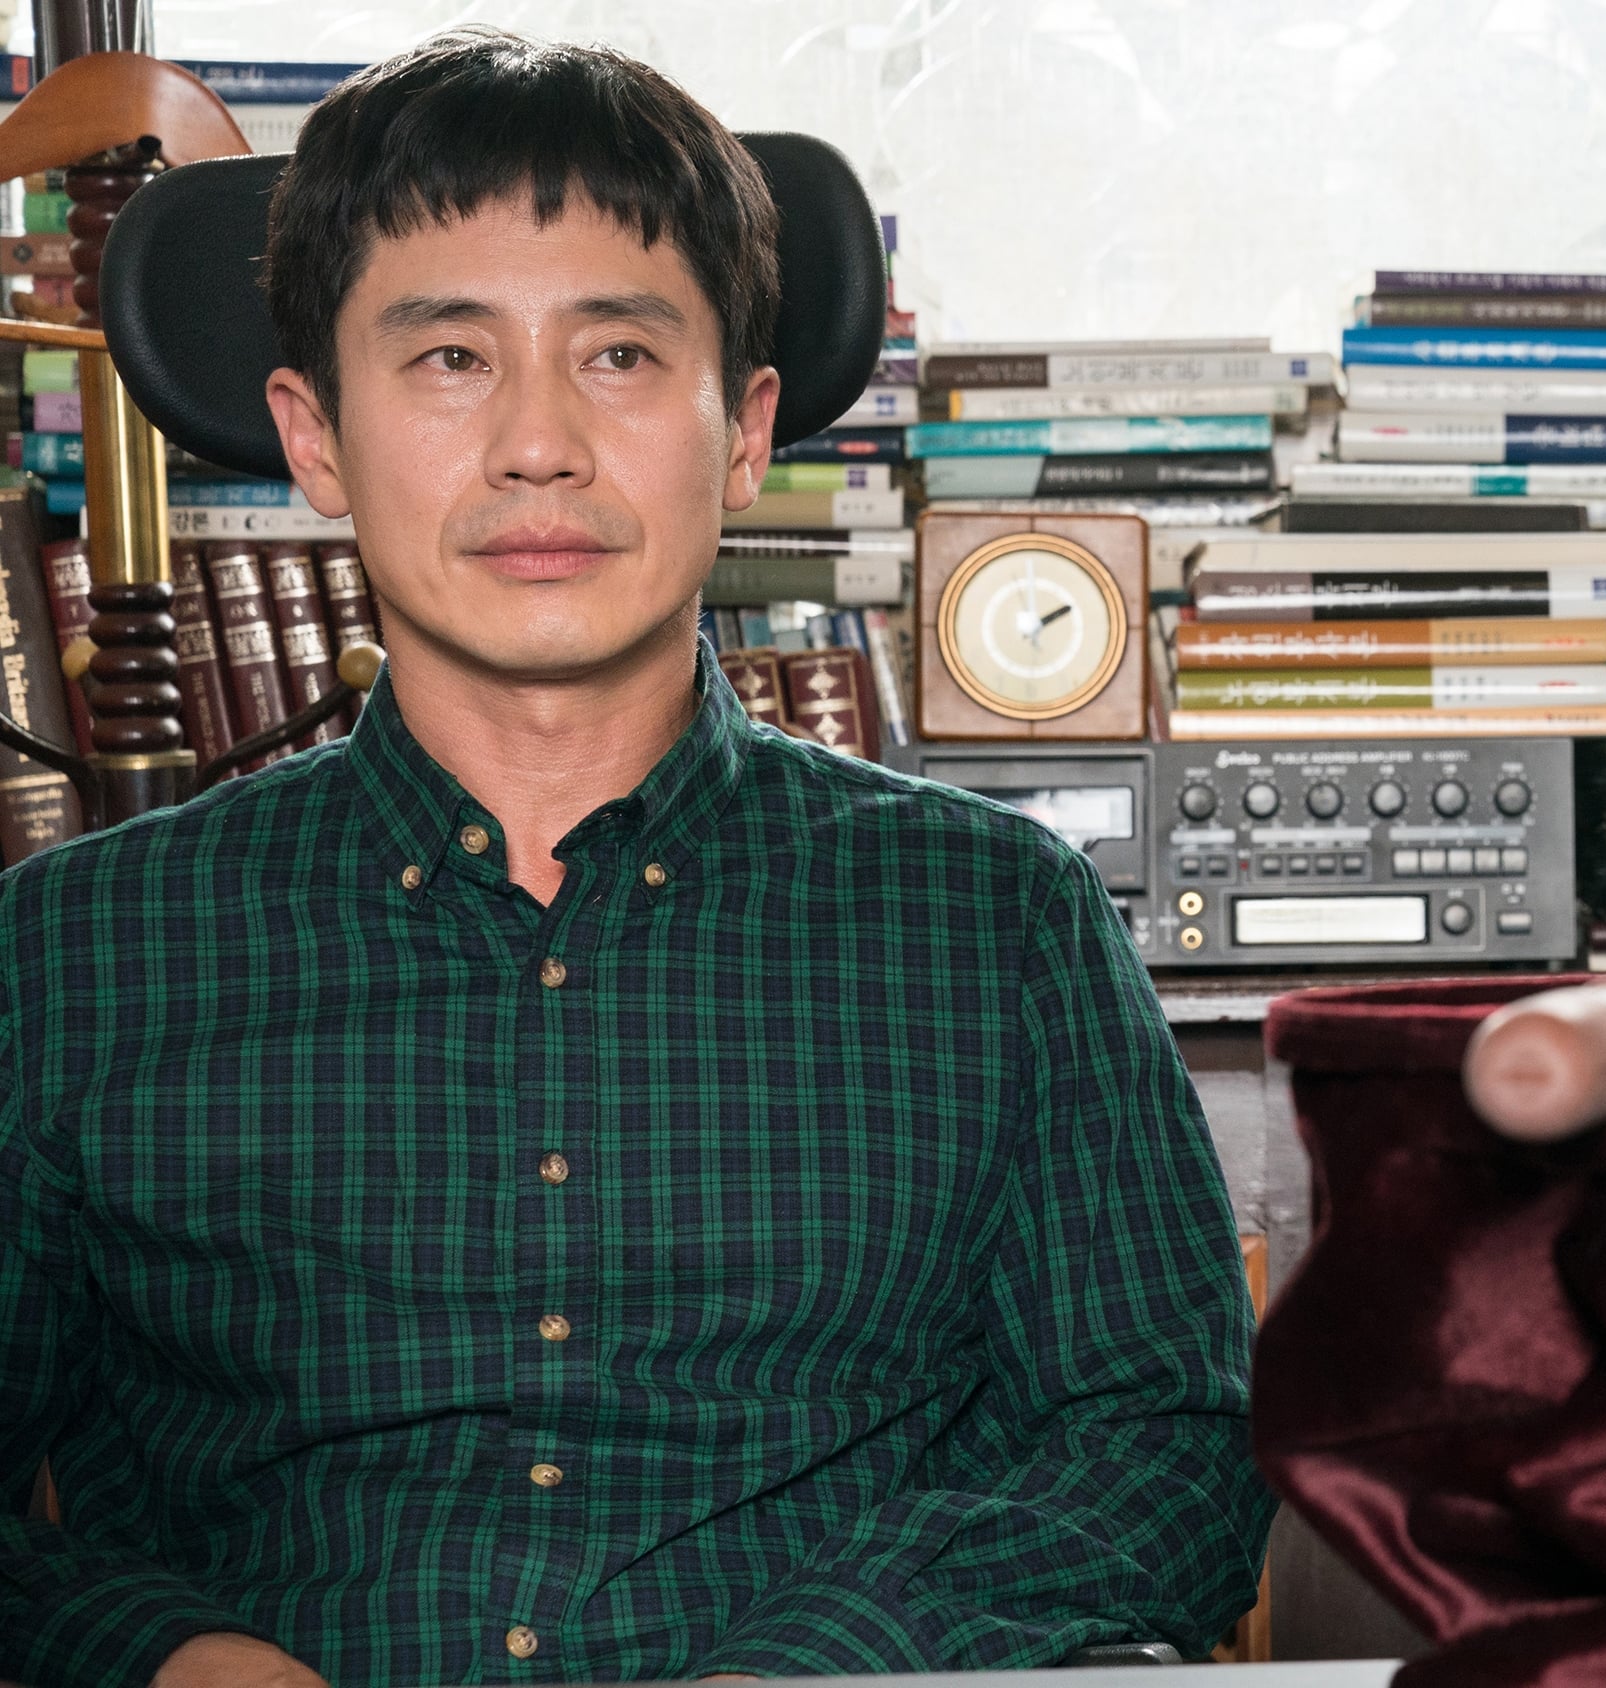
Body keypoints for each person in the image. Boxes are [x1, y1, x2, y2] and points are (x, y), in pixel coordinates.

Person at [0, 32, 1269, 1688]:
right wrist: (168, 1656)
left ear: (744, 430)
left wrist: (816, 1665)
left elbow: (1167, 1448)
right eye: (449, 357)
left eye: (618, 354)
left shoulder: (997, 920)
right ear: (313, 436)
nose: (539, 443)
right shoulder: (72, 950)